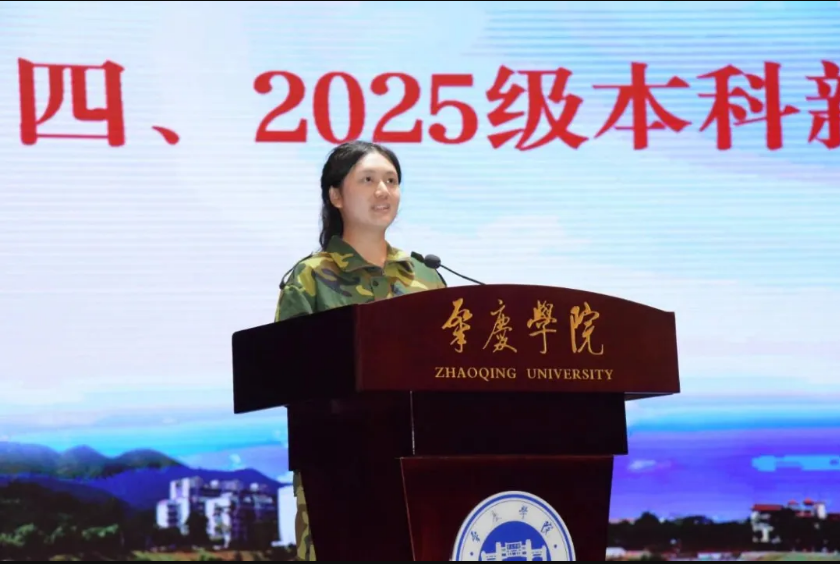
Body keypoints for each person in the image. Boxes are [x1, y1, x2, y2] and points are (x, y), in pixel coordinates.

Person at [273, 140, 446, 561]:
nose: (383, 191)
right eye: (367, 180)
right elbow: (285, 375)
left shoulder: (426, 277)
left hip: (421, 467)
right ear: (336, 195)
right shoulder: (310, 278)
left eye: (391, 181)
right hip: (338, 471)